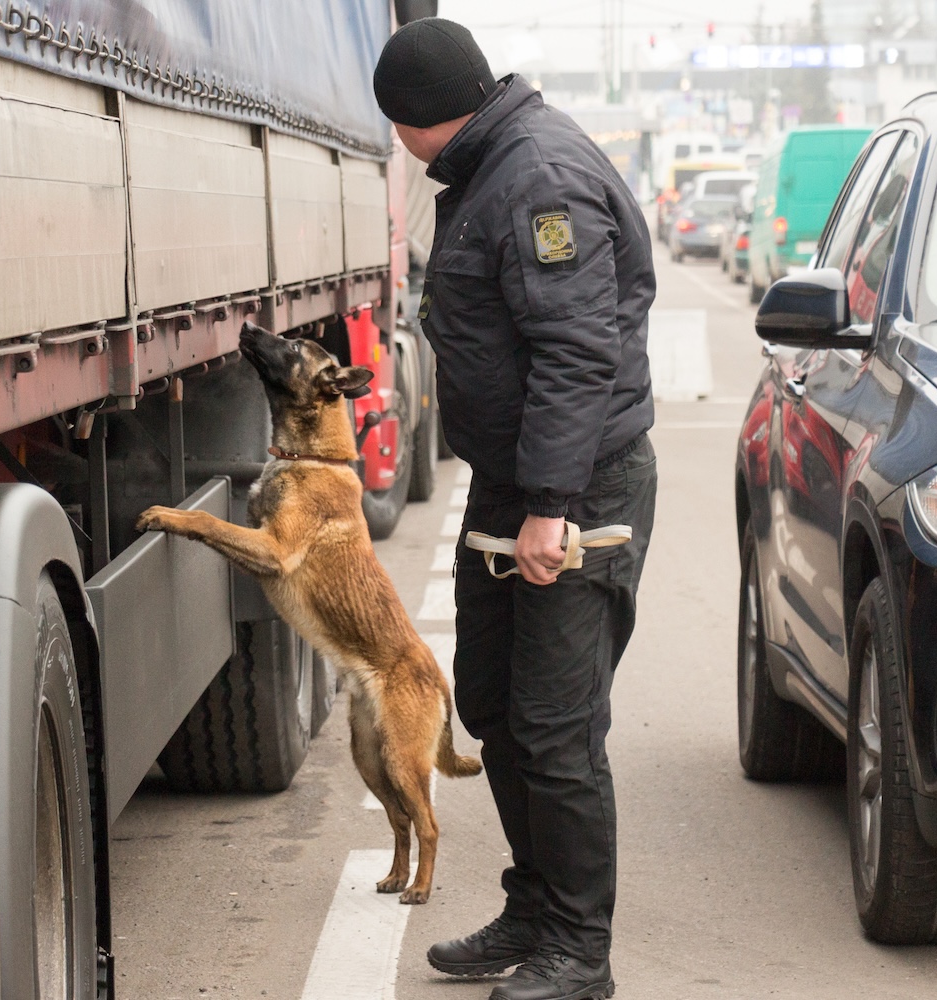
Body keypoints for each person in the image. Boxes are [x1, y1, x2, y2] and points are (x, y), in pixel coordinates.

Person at [373, 18, 658, 1000]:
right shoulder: (489, 167)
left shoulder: (538, 179)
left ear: (418, 122)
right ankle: (534, 912)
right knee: (492, 707)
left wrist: (549, 507)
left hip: (575, 493)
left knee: (555, 731)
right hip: (516, 484)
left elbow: (578, 354)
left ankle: (580, 954)